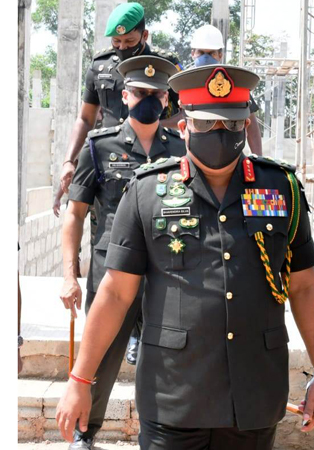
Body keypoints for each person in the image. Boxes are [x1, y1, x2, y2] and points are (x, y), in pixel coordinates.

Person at [55, 64, 314, 450]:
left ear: (246, 125)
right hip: (173, 399)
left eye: (232, 125)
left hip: (253, 398)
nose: (220, 134)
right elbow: (116, 294)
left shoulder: (281, 189)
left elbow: (303, 286)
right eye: (207, 124)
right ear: (184, 125)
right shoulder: (146, 192)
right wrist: (80, 380)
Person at [59, 55, 184, 450]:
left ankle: (163, 434)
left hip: (167, 270)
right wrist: (69, 274)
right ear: (125, 96)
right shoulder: (99, 146)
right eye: (141, 93)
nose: (149, 99)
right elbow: (74, 214)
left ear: (167, 100)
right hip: (112, 270)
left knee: (169, 360)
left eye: (157, 94)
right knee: (100, 357)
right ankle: (85, 433)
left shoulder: (182, 149)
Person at [53, 2, 183, 217]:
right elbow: (86, 119)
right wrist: (69, 161)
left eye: (130, 41)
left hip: (157, 158)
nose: (123, 47)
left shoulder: (166, 65)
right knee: (104, 233)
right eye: (117, 41)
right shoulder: (100, 66)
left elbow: (187, 112)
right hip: (109, 163)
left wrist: (153, 126)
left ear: (145, 35)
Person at [189, 24, 264, 156]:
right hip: (195, 151)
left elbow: (251, 122)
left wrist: (258, 158)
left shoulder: (235, 82)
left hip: (229, 150)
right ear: (193, 53)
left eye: (211, 53)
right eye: (201, 52)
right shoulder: (185, 83)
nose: (206, 58)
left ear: (220, 55)